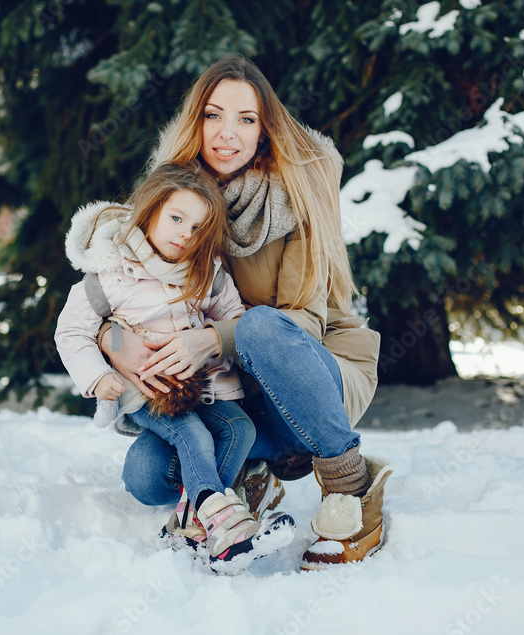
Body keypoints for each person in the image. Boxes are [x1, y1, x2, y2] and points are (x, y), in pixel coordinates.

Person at [97, 54, 393, 571]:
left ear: (264, 130)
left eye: (246, 119)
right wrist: (115, 347)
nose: (226, 134)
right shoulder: (175, 200)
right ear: (195, 122)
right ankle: (251, 471)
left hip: (310, 378)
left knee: (259, 327)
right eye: (213, 116)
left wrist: (211, 340)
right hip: (227, 395)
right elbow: (107, 299)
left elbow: (303, 321)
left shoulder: (294, 198)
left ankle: (351, 484)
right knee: (147, 477)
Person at [54, 161, 295, 574]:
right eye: (177, 218)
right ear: (149, 212)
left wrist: (212, 345)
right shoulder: (110, 275)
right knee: (190, 431)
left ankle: (189, 521)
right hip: (147, 390)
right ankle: (220, 520)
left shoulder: (207, 271)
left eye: (198, 227)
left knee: (242, 429)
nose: (187, 233)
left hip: (207, 387)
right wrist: (98, 377)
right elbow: (70, 332)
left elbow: (236, 320)